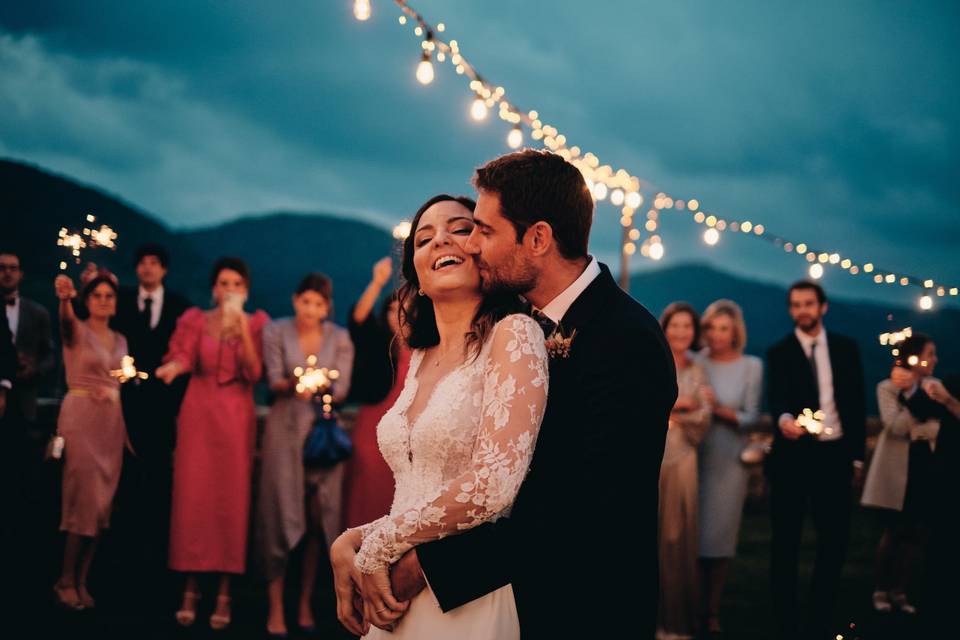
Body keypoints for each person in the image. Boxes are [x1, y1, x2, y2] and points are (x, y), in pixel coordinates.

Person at [331, 150, 676, 639]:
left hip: (581, 609)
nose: (473, 247)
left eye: (484, 232)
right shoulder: (517, 327)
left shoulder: (626, 339)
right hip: (507, 596)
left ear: (537, 238)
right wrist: (359, 539)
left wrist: (426, 565)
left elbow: (578, 508)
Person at [155, 257, 269, 630]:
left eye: (236, 283)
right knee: (193, 500)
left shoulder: (256, 323)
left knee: (230, 503)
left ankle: (224, 592)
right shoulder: (194, 320)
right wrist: (173, 368)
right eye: (223, 283)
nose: (229, 289)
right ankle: (190, 588)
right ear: (213, 288)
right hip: (198, 415)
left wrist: (241, 329)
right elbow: (184, 356)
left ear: (245, 290)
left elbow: (254, 373)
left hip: (236, 418)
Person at [255, 273, 355, 637]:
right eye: (305, 301)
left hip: (323, 436)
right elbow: (273, 378)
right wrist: (298, 382)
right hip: (284, 431)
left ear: (327, 307)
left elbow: (343, 387)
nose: (311, 309)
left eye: (319, 303)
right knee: (278, 513)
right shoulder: (275, 331)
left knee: (319, 519)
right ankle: (275, 604)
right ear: (296, 300)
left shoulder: (340, 337)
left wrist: (322, 382)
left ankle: (306, 602)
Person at [766, 281, 866, 639]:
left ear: (823, 306)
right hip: (793, 457)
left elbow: (856, 404)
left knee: (834, 541)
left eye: (808, 303)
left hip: (835, 455)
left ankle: (821, 615)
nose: (802, 310)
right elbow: (775, 400)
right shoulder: (779, 352)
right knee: (786, 541)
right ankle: (785, 619)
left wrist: (857, 459)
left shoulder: (845, 349)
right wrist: (783, 422)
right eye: (796, 305)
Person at [109, 244, 190, 618]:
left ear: (164, 269)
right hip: (122, 407)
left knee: (160, 487)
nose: (147, 269)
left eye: (154, 263)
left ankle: (157, 575)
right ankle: (120, 574)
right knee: (124, 485)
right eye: (141, 263)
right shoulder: (120, 301)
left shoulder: (179, 306)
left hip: (164, 412)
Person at [51, 270, 128, 611]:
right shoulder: (77, 331)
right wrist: (65, 299)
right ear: (86, 300)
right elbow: (65, 323)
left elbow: (122, 376)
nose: (103, 300)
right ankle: (64, 579)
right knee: (82, 500)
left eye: (109, 295)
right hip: (82, 417)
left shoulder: (122, 340)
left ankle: (83, 578)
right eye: (96, 295)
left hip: (111, 425)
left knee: (101, 507)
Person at [695, 299, 763, 635]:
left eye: (724, 328)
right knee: (691, 534)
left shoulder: (752, 366)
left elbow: (752, 417)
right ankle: (688, 603)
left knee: (720, 539)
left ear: (736, 331)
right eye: (712, 328)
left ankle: (713, 609)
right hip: (696, 455)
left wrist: (720, 409)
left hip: (729, 460)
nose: (718, 335)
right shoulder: (696, 361)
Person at [861, 333, 939, 615]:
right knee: (893, 531)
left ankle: (901, 590)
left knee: (917, 531)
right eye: (931, 354)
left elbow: (939, 428)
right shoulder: (888, 388)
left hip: (925, 466)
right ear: (915, 357)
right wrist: (914, 399)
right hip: (897, 467)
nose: (935, 360)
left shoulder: (936, 387)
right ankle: (881, 588)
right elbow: (893, 425)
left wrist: (918, 424)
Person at [658, 302, 712, 640]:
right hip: (652, 458)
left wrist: (675, 412)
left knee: (678, 538)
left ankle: (675, 620)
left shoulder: (697, 371)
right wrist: (681, 404)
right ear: (665, 327)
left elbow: (704, 418)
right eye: (675, 325)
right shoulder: (655, 359)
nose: (681, 332)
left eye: (687, 327)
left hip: (684, 460)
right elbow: (643, 401)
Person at [342, 256, 408, 531]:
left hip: (405, 438)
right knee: (367, 490)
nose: (398, 315)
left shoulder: (428, 350)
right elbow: (358, 319)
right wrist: (377, 282)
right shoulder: (379, 344)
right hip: (372, 429)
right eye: (392, 310)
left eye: (405, 309)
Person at [0, 250, 55, 432]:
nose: (7, 272)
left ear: (21, 274)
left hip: (25, 398)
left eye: (13, 268)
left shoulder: (38, 313)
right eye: (2, 268)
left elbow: (51, 356)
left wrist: (35, 369)